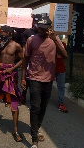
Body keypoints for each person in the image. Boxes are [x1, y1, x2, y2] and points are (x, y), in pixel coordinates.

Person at [21, 15, 68, 148]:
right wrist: (23, 78)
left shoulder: (55, 40)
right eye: (39, 28)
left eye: (44, 28)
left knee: (43, 107)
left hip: (49, 79)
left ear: (49, 28)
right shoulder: (31, 40)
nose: (41, 30)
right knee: (35, 106)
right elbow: (25, 59)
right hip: (34, 77)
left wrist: (55, 40)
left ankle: (36, 127)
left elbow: (64, 56)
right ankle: (34, 139)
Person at [0, 25, 24, 142]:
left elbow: (22, 59)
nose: (1, 35)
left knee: (13, 101)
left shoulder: (16, 45)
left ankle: (15, 130)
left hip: (10, 74)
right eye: (0, 33)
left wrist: (12, 68)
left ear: (10, 34)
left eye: (3, 33)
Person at [21, 14, 40, 104]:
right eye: (35, 21)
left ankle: (34, 98)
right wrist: (24, 57)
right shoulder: (27, 32)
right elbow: (24, 46)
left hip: (38, 61)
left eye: (38, 22)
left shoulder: (42, 33)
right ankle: (23, 95)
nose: (36, 23)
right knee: (27, 79)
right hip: (29, 60)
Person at [55, 37, 68, 113]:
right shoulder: (48, 44)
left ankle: (61, 103)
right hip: (50, 69)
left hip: (60, 69)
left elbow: (64, 55)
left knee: (61, 86)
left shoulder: (62, 44)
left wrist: (56, 42)